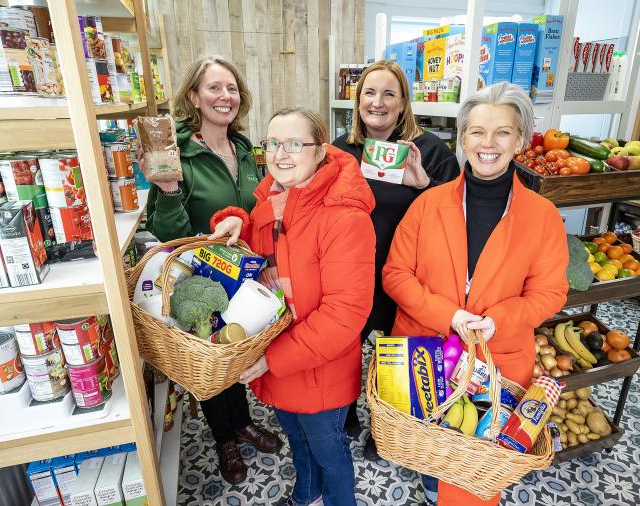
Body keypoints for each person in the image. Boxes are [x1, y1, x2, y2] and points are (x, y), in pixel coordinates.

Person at [382, 82, 569, 506]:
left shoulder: (542, 217)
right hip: (426, 356)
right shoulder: (427, 204)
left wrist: (500, 317)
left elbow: (550, 292)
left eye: (502, 132)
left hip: (496, 366)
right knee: (430, 452)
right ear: (462, 137)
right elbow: (395, 274)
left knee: (472, 485)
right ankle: (432, 479)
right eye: (477, 132)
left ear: (520, 140)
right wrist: (449, 315)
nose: (488, 144)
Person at [209, 107, 375, 506]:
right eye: (273, 143)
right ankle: (306, 496)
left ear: (320, 152)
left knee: (329, 452)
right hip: (280, 359)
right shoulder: (275, 195)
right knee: (298, 443)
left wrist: (272, 359)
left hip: (319, 367)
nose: (281, 154)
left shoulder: (344, 217)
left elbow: (344, 315)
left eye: (294, 144)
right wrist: (237, 223)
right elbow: (266, 253)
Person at [144, 55, 281, 485]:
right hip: (198, 277)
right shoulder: (175, 153)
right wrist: (167, 190)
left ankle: (241, 421)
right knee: (209, 365)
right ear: (194, 97)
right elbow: (167, 234)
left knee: (235, 351)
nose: (226, 97)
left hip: (240, 270)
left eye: (232, 88)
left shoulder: (242, 147)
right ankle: (223, 437)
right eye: (214, 88)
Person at [332, 60, 460, 461]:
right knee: (345, 347)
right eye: (370, 93)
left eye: (389, 93)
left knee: (399, 354)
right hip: (350, 273)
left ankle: (387, 427)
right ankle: (345, 411)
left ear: (404, 103)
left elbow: (456, 215)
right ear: (358, 101)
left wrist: (422, 185)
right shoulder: (340, 152)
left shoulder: (433, 152)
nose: (378, 102)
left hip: (407, 275)